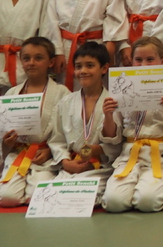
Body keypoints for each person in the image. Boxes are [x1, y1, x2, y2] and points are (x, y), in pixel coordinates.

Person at [101, 37, 163, 213]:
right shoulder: (121, 91)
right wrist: (108, 115)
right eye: (138, 60)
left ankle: (150, 186)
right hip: (129, 156)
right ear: (131, 61)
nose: (143, 65)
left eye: (150, 59)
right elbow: (113, 137)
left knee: (147, 201)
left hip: (160, 156)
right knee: (113, 202)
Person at [0, 37, 71, 207]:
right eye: (26, 58)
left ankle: (35, 184)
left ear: (51, 62)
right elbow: (0, 134)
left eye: (38, 58)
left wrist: (50, 151)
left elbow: (68, 131)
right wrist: (7, 143)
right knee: (6, 199)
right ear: (21, 61)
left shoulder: (62, 93)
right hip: (18, 154)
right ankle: (19, 184)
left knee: (37, 197)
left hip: (45, 157)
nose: (31, 63)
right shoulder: (12, 94)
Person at [48, 41, 120, 204]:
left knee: (83, 198)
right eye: (78, 66)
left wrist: (97, 150)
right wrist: (66, 162)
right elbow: (57, 140)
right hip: (72, 166)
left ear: (104, 68)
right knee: (52, 198)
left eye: (90, 65)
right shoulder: (65, 102)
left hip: (101, 167)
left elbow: (118, 142)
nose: (83, 71)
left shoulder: (113, 101)